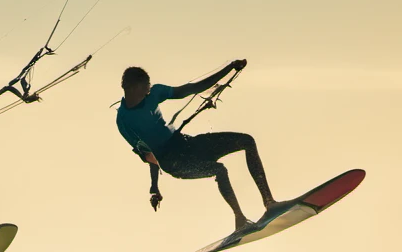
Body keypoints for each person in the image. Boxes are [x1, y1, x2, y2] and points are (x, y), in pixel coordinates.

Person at [116, 62, 281, 233]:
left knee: (247, 141)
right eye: (145, 88)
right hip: (173, 162)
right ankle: (239, 219)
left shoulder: (155, 93)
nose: (148, 92)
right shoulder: (124, 120)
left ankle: (270, 203)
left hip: (186, 144)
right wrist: (154, 187)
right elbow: (148, 155)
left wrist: (230, 68)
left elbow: (193, 88)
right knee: (219, 170)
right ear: (132, 88)